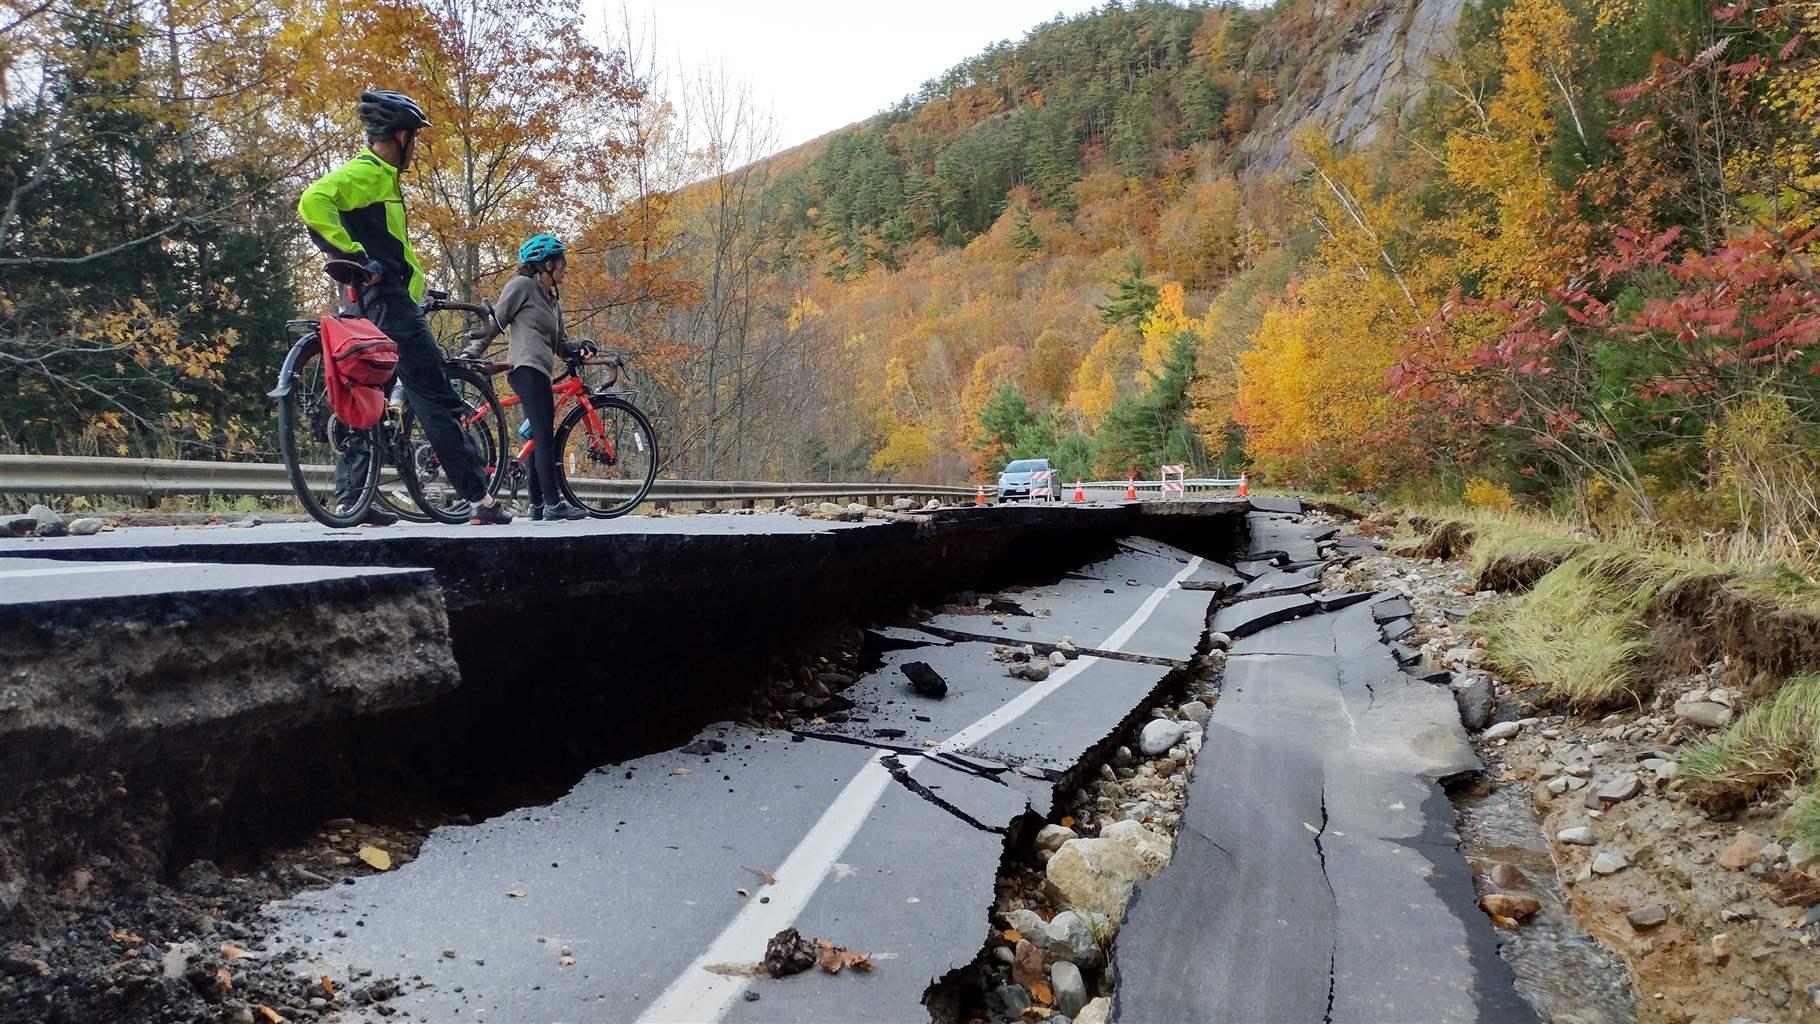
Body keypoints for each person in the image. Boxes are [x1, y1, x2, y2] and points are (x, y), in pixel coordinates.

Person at [297, 89, 512, 526]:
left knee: (368, 390)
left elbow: (390, 246)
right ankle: (479, 499)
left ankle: (352, 500)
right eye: (415, 137)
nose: (416, 146)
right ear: (400, 136)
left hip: (367, 302)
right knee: (435, 397)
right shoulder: (369, 173)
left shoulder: (379, 180)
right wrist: (355, 256)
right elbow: (312, 201)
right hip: (390, 304)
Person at [465, 233, 590, 521]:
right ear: (547, 264)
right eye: (562, 263)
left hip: (541, 372)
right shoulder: (521, 286)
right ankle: (553, 505)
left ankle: (536, 504)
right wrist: (473, 351)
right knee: (546, 436)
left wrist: (581, 346)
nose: (565, 268)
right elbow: (497, 320)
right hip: (525, 369)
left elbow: (561, 345)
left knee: (537, 437)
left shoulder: (552, 302)